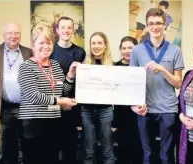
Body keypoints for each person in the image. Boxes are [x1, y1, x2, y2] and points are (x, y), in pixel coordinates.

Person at [17, 24, 78, 164]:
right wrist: (61, 102)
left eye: (49, 42)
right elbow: (33, 96)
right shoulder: (26, 67)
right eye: (41, 42)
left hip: (54, 122)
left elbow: (63, 91)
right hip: (33, 124)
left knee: (52, 159)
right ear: (33, 45)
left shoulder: (55, 66)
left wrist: (70, 75)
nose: (46, 46)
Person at [130, 8, 184, 164]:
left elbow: (178, 83)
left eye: (159, 23)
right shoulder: (137, 50)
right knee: (147, 155)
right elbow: (132, 82)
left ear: (165, 24)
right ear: (146, 26)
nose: (155, 27)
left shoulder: (175, 50)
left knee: (166, 155)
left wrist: (164, 70)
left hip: (168, 109)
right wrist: (134, 105)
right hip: (145, 109)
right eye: (151, 23)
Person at [0, 22, 32, 164]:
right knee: (2, 147)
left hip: (26, 108)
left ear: (21, 35)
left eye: (16, 33)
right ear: (3, 35)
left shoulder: (29, 53)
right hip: (3, 108)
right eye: (10, 33)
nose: (13, 36)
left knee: (25, 146)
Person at [50, 16, 86, 164]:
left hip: (73, 105)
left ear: (73, 30)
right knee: (52, 146)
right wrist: (60, 101)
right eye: (63, 27)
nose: (66, 30)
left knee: (70, 146)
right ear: (57, 30)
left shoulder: (80, 52)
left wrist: (70, 102)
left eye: (69, 27)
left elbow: (83, 81)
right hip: (53, 104)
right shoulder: (50, 50)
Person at [81, 32, 115, 164]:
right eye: (93, 43)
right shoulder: (83, 66)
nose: (96, 46)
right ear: (89, 46)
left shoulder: (113, 66)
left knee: (107, 151)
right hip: (87, 111)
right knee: (89, 151)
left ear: (105, 45)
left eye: (99, 43)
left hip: (106, 110)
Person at [113, 36, 143, 164]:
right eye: (124, 48)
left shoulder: (141, 66)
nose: (127, 51)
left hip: (139, 114)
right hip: (121, 115)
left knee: (138, 149)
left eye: (130, 47)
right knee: (123, 150)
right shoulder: (115, 67)